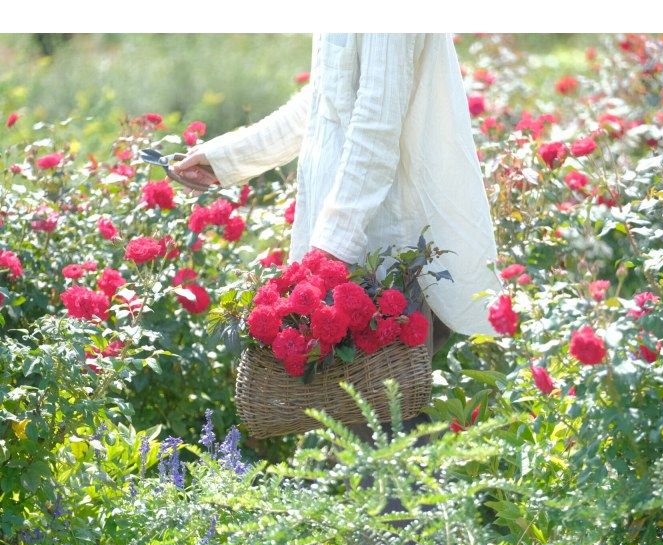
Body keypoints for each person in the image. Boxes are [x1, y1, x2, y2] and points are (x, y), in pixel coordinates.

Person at [173, 33, 503, 363]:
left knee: (378, 411)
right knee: (333, 412)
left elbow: (377, 124)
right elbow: (327, 96)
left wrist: (329, 254)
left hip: (377, 261)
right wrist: (226, 158)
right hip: (339, 253)